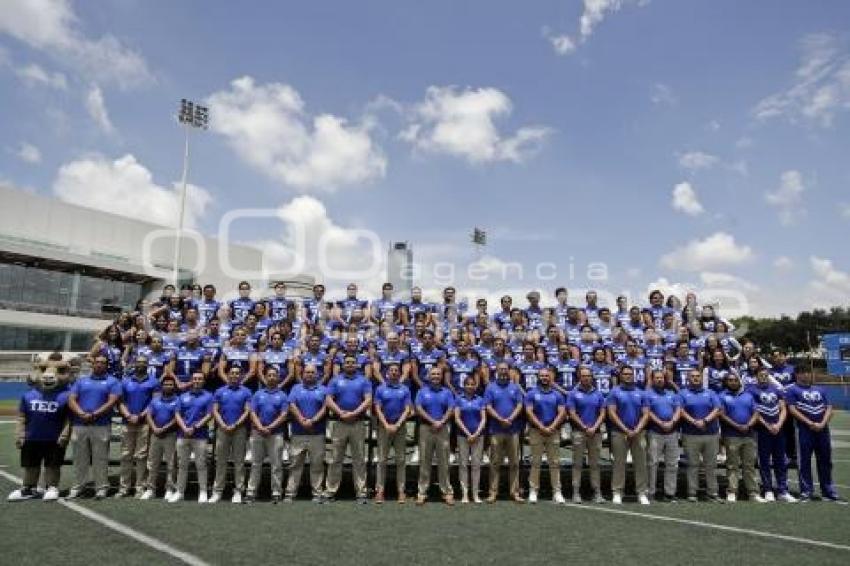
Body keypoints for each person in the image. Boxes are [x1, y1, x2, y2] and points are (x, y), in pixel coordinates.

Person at [8, 356, 71, 502]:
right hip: (32, 438)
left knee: (52, 466)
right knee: (31, 466)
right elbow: (22, 417)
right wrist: (20, 435)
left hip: (54, 439)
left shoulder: (66, 396)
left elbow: (69, 419)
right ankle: (28, 488)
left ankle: (52, 487)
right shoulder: (28, 396)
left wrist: (64, 435)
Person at [68, 354, 121, 499]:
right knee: (80, 458)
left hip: (101, 425)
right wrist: (81, 413)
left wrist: (94, 414)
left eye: (102, 362)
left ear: (107, 365)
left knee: (100, 458)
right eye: (97, 362)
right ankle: (79, 486)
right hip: (80, 424)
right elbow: (71, 399)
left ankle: (101, 487)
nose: (99, 364)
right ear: (93, 364)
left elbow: (112, 401)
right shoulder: (81, 381)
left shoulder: (113, 382)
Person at [786, 372, 842, 502]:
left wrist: (822, 423)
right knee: (804, 461)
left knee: (825, 461)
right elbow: (792, 409)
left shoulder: (821, 389)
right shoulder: (792, 390)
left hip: (823, 430)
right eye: (804, 373)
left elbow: (829, 407)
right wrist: (810, 423)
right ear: (798, 375)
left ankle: (828, 490)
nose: (807, 375)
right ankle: (806, 491)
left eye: (808, 373)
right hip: (803, 430)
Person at [325, 355, 372, 503]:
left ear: (357, 365)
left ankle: (361, 492)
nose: (350, 364)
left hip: (357, 423)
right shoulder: (335, 380)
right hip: (340, 423)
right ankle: (331, 491)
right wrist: (341, 413)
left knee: (359, 459)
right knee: (335, 459)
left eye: (352, 362)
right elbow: (328, 400)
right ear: (343, 365)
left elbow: (368, 400)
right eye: (347, 362)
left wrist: (354, 413)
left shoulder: (364, 380)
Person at [749, 367, 796, 503]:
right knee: (764, 461)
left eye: (766, 375)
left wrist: (779, 424)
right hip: (762, 430)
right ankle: (768, 489)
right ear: (756, 376)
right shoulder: (751, 390)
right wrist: (767, 425)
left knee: (780, 460)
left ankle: (782, 490)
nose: (764, 377)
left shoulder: (776, 390)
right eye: (761, 375)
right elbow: (755, 411)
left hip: (778, 429)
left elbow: (783, 409)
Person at [116, 355, 160, 498]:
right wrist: (129, 415)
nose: (141, 364)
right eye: (138, 362)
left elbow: (154, 403)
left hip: (145, 423)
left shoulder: (154, 382)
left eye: (144, 362)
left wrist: (140, 415)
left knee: (141, 456)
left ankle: (139, 488)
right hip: (127, 422)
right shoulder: (125, 381)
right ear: (134, 364)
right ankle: (124, 488)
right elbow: (120, 402)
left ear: (148, 365)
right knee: (125, 455)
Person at [607, 365, 650, 505]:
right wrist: (625, 429)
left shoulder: (641, 392)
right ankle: (617, 492)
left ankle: (641, 492)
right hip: (619, 432)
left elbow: (646, 414)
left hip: (638, 432)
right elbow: (612, 413)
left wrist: (637, 429)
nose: (628, 376)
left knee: (641, 464)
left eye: (630, 374)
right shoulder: (614, 392)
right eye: (625, 374)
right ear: (620, 376)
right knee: (619, 463)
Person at [286, 364, 328, 503]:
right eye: (307, 372)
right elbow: (292, 405)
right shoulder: (295, 388)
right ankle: (290, 493)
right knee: (295, 465)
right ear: (302, 374)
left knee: (317, 465)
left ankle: (317, 493)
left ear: (317, 374)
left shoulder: (323, 389)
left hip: (317, 433)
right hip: (298, 432)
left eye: (312, 372)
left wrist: (313, 421)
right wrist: (302, 420)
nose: (309, 374)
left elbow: (325, 407)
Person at [719, 372, 763, 503]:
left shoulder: (748, 396)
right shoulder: (722, 396)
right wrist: (737, 426)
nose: (733, 382)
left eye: (735, 380)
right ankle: (732, 491)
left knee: (749, 465)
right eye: (730, 380)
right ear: (726, 382)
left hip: (749, 435)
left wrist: (748, 425)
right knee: (732, 465)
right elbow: (721, 414)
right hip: (731, 435)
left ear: (739, 382)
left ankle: (753, 493)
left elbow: (756, 412)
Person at [246, 367, 289, 503]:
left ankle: (276, 492)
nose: (271, 377)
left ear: (278, 378)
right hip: (257, 433)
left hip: (275, 434)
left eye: (274, 375)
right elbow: (252, 412)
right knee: (255, 464)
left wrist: (270, 427)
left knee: (276, 465)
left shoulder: (283, 395)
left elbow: (283, 415)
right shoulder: (258, 394)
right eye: (269, 375)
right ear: (265, 377)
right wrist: (260, 426)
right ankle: (251, 492)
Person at [525, 367, 566, 504]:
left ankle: (557, 492)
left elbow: (561, 412)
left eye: (547, 376)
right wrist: (541, 427)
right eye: (542, 375)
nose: (544, 378)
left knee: (554, 463)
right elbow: (529, 412)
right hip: (536, 431)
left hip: (553, 432)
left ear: (551, 378)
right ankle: (533, 490)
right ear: (538, 377)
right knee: (535, 462)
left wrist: (552, 427)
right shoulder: (531, 393)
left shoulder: (557, 394)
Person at [485, 361, 525, 503]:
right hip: (496, 429)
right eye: (500, 369)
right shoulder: (490, 387)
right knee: (495, 462)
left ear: (509, 371)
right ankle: (493, 492)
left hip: (513, 429)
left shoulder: (515, 387)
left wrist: (510, 419)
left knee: (514, 463)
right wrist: (501, 419)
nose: (503, 371)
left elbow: (520, 405)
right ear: (496, 370)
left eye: (505, 369)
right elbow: (488, 407)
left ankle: (514, 492)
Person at [211, 366, 252, 503]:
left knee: (239, 462)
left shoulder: (246, 391)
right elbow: (215, 410)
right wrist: (222, 424)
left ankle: (238, 491)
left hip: (239, 430)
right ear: (227, 375)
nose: (234, 375)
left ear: (241, 375)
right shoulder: (219, 391)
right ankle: (217, 491)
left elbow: (247, 411)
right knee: (221, 462)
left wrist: (235, 425)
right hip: (222, 430)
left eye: (237, 373)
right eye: (232, 373)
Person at [679, 369, 722, 502]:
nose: (695, 378)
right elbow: (680, 410)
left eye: (698, 376)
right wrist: (694, 421)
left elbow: (718, 409)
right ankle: (692, 493)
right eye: (692, 376)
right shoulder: (682, 393)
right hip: (690, 434)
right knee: (692, 465)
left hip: (711, 434)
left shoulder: (710, 393)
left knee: (711, 465)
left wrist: (705, 420)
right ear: (688, 378)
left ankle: (712, 493)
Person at [415, 366, 455, 505]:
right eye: (433, 374)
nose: (436, 376)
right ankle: (422, 492)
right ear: (428, 376)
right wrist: (433, 422)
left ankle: (447, 492)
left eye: (438, 374)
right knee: (424, 462)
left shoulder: (447, 392)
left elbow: (451, 409)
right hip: (426, 428)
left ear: (442, 376)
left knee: (444, 462)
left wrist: (441, 422)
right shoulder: (421, 391)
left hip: (443, 429)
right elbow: (419, 408)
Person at [567, 366, 606, 504]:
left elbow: (602, 413)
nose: (586, 378)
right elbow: (572, 413)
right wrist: (584, 427)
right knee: (577, 464)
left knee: (595, 464)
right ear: (579, 377)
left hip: (595, 433)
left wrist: (594, 427)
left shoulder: (598, 394)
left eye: (588, 376)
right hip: (579, 432)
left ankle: (597, 492)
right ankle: (576, 492)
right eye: (583, 376)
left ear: (592, 377)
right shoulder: (573, 394)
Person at [374, 363, 413, 503]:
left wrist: (396, 425)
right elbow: (377, 409)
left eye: (397, 370)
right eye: (392, 370)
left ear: (400, 373)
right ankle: (380, 491)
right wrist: (386, 425)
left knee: (401, 460)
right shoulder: (380, 389)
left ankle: (401, 491)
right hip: (384, 427)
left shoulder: (405, 389)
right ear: (387, 373)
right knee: (382, 460)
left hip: (399, 427)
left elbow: (407, 409)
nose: (395, 372)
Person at [173, 372, 213, 503]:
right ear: (191, 380)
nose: (197, 381)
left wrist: (195, 427)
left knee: (201, 465)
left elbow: (209, 415)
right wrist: (185, 428)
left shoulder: (208, 397)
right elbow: (177, 414)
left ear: (203, 381)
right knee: (182, 465)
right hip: (182, 434)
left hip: (200, 435)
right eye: (195, 378)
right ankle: (179, 492)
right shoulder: (182, 396)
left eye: (200, 379)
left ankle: (203, 492)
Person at [645, 369, 682, 502]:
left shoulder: (672, 394)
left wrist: (672, 422)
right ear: (652, 379)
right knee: (652, 463)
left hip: (672, 432)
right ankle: (651, 492)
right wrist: (661, 423)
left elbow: (678, 409)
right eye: (657, 378)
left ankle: (670, 493)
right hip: (655, 432)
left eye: (661, 378)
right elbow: (647, 412)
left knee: (672, 464)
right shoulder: (647, 394)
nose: (659, 380)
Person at [141, 374, 180, 501]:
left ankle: (169, 488)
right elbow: (149, 415)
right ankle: (150, 489)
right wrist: (155, 428)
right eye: (165, 384)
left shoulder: (178, 400)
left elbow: (176, 418)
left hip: (171, 435)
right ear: (161, 386)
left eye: (170, 384)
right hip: (155, 434)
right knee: (152, 463)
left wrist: (164, 428)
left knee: (171, 464)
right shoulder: (155, 400)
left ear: (174, 386)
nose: (168, 386)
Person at [455, 375, 486, 504]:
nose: (470, 386)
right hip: (463, 436)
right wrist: (468, 433)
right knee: (463, 465)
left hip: (478, 436)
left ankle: (475, 494)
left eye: (472, 384)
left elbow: (483, 418)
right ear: (464, 385)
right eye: (468, 384)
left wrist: (476, 433)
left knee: (476, 465)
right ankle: (465, 494)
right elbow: (457, 418)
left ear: (475, 386)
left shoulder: (480, 399)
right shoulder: (458, 399)